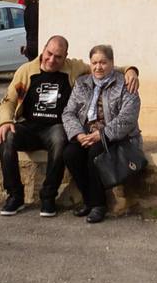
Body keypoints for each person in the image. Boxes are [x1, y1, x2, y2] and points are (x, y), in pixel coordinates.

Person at [0, 34, 77, 216]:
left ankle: (48, 197)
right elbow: (8, 100)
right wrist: (5, 121)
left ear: (65, 56)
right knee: (6, 136)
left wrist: (129, 70)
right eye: (49, 53)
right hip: (29, 126)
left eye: (58, 57)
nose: (52, 60)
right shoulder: (26, 70)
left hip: (55, 127)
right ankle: (15, 196)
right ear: (43, 49)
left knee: (60, 137)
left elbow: (102, 66)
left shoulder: (73, 68)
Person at [60, 44, 142, 224]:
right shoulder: (82, 84)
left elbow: (128, 118)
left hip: (117, 136)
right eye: (94, 62)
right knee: (70, 153)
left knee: (94, 154)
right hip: (87, 134)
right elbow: (69, 112)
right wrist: (78, 134)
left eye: (103, 62)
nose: (98, 67)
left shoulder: (125, 84)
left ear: (112, 63)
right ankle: (88, 200)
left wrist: (102, 135)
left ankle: (98, 205)